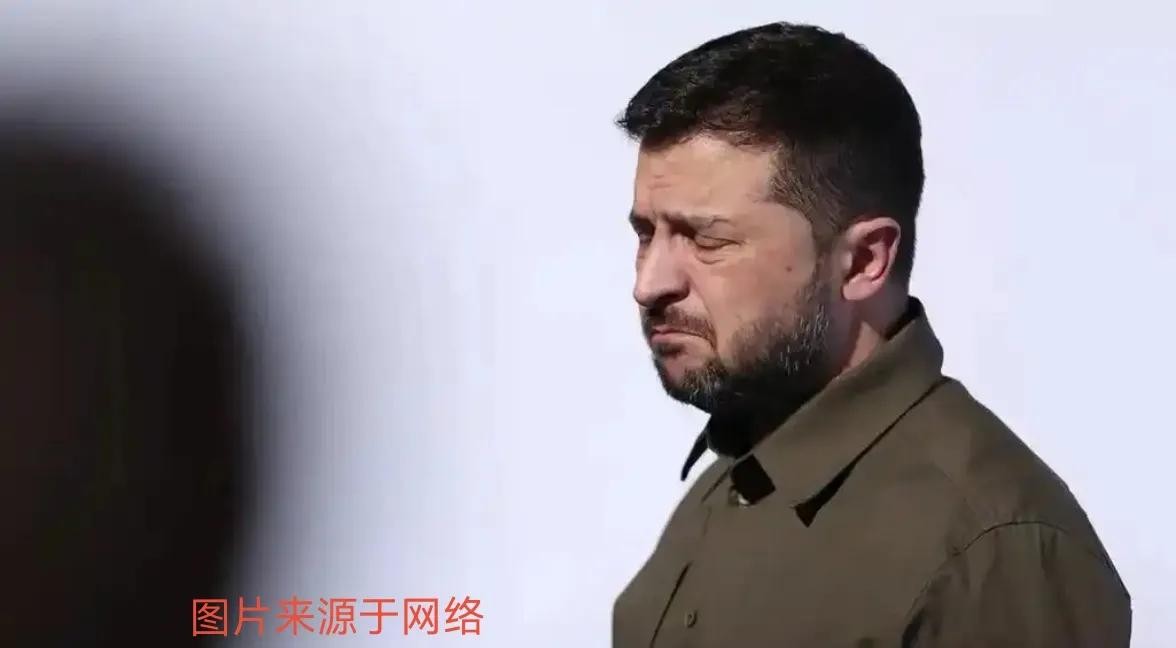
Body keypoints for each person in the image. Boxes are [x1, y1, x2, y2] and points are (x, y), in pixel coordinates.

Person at [611, 21, 1130, 647]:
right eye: (647, 234)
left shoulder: (990, 551)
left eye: (707, 240)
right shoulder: (730, 480)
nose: (649, 283)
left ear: (862, 261)